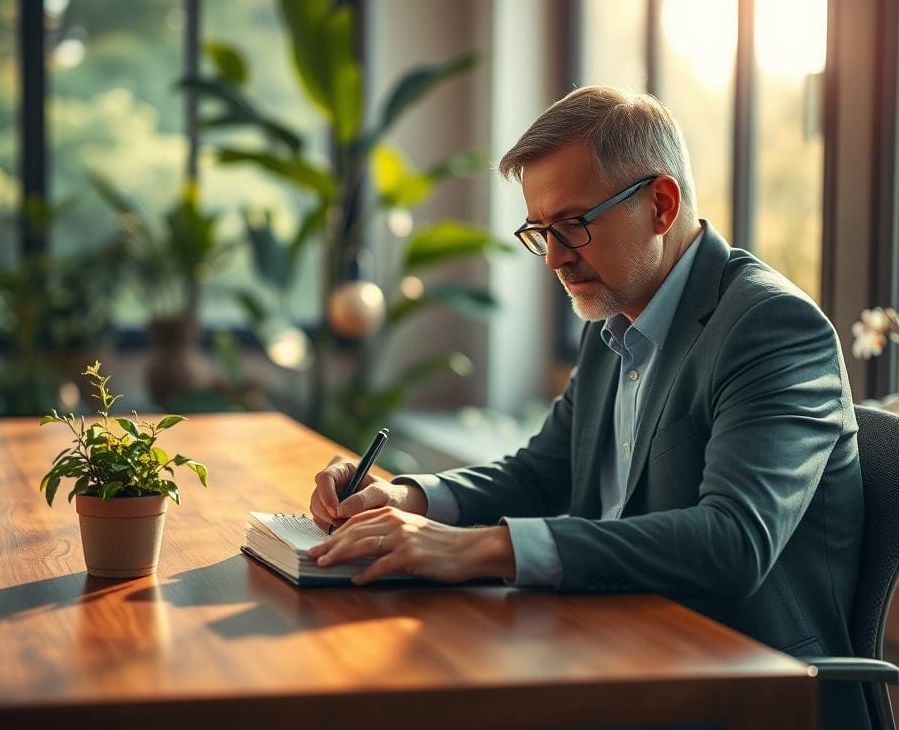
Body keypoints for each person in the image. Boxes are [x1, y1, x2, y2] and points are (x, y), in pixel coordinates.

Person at [306, 86, 867, 729]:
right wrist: (410, 498)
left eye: (572, 224)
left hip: (744, 688)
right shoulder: (613, 315)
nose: (555, 257)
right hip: (620, 649)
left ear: (661, 204)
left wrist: (479, 549)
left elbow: (733, 541)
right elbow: (543, 471)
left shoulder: (770, 327)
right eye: (539, 232)